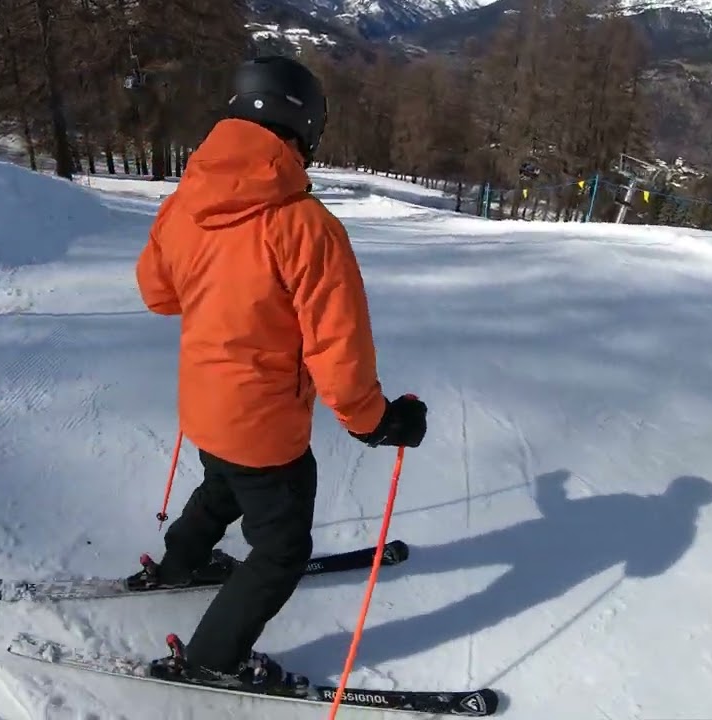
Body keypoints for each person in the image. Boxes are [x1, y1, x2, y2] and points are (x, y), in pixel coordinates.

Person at [130, 55, 428, 691]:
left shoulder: (187, 203)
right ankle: (215, 656)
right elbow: (338, 350)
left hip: (205, 406)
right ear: (305, 127)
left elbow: (159, 293)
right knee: (282, 548)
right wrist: (376, 422)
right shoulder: (303, 225)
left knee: (223, 483)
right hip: (266, 426)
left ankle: (181, 560)